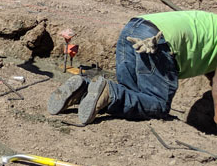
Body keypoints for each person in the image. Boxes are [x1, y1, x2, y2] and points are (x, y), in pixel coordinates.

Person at [48, 10, 217, 126]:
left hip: (134, 28)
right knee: (158, 105)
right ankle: (111, 93)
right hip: (156, 42)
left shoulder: (211, 22)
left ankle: (83, 88)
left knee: (131, 95)